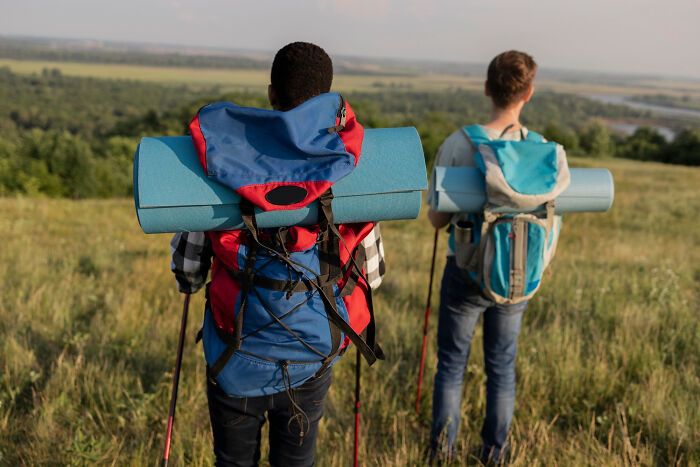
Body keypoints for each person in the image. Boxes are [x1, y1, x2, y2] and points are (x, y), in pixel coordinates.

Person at [170, 41, 385, 467]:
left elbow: (188, 274)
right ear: (327, 99)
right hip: (312, 358)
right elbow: (373, 276)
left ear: (271, 95)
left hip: (234, 359)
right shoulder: (347, 170)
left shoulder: (221, 165)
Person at [426, 50, 548, 463]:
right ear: (528, 93)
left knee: (452, 366)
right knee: (502, 368)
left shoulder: (460, 144)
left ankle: (440, 453)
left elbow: (437, 220)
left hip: (466, 271)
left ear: (486, 88)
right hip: (518, 276)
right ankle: (495, 454)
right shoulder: (542, 150)